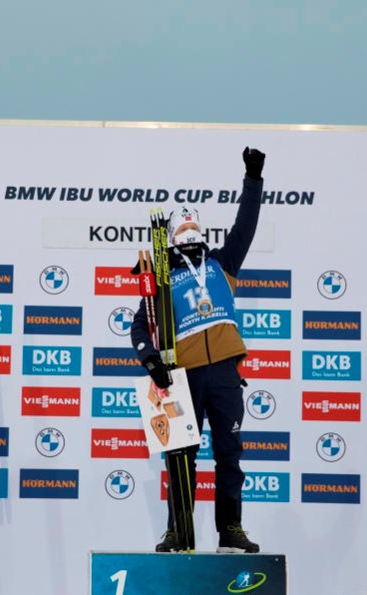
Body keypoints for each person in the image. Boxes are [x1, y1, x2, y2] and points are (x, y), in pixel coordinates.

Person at [131, 147, 265, 553]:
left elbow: (246, 225)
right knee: (180, 459)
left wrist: (253, 179)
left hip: (224, 373)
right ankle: (178, 531)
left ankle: (231, 529)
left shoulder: (224, 262)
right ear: (170, 237)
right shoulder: (162, 278)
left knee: (229, 456)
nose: (188, 235)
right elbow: (141, 323)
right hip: (182, 377)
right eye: (181, 230)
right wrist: (150, 359)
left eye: (193, 228)